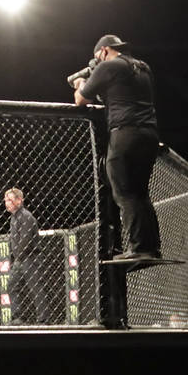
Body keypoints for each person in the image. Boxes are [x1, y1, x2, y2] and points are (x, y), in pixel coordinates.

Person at [73, 34, 161, 262]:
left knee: (124, 191)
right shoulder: (142, 67)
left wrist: (80, 83)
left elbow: (80, 100)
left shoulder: (109, 66)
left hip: (125, 134)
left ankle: (139, 247)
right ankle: (151, 247)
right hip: (148, 134)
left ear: (104, 51)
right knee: (140, 192)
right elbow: (118, 95)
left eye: (97, 57)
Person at [4, 188, 48, 325]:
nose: (7, 203)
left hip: (31, 257)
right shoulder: (14, 218)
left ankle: (43, 319)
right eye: (6, 200)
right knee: (11, 285)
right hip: (21, 259)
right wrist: (17, 258)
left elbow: (25, 241)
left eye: (10, 200)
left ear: (19, 200)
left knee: (36, 287)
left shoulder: (26, 216)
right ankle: (17, 317)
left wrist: (18, 256)